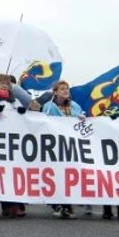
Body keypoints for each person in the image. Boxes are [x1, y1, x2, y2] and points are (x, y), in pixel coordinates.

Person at [42, 80, 85, 219]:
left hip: (71, 146)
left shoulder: (75, 106)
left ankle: (67, 205)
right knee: (57, 174)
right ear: (55, 92)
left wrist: (82, 117)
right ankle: (58, 204)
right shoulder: (48, 107)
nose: (65, 91)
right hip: (55, 146)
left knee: (69, 175)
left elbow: (83, 120)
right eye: (62, 89)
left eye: (67, 89)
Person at [0, 74, 25, 218]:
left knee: (9, 173)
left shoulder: (14, 100)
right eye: (1, 83)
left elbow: (22, 113)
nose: (4, 86)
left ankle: (11, 205)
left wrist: (21, 112)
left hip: (11, 142)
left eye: (7, 84)